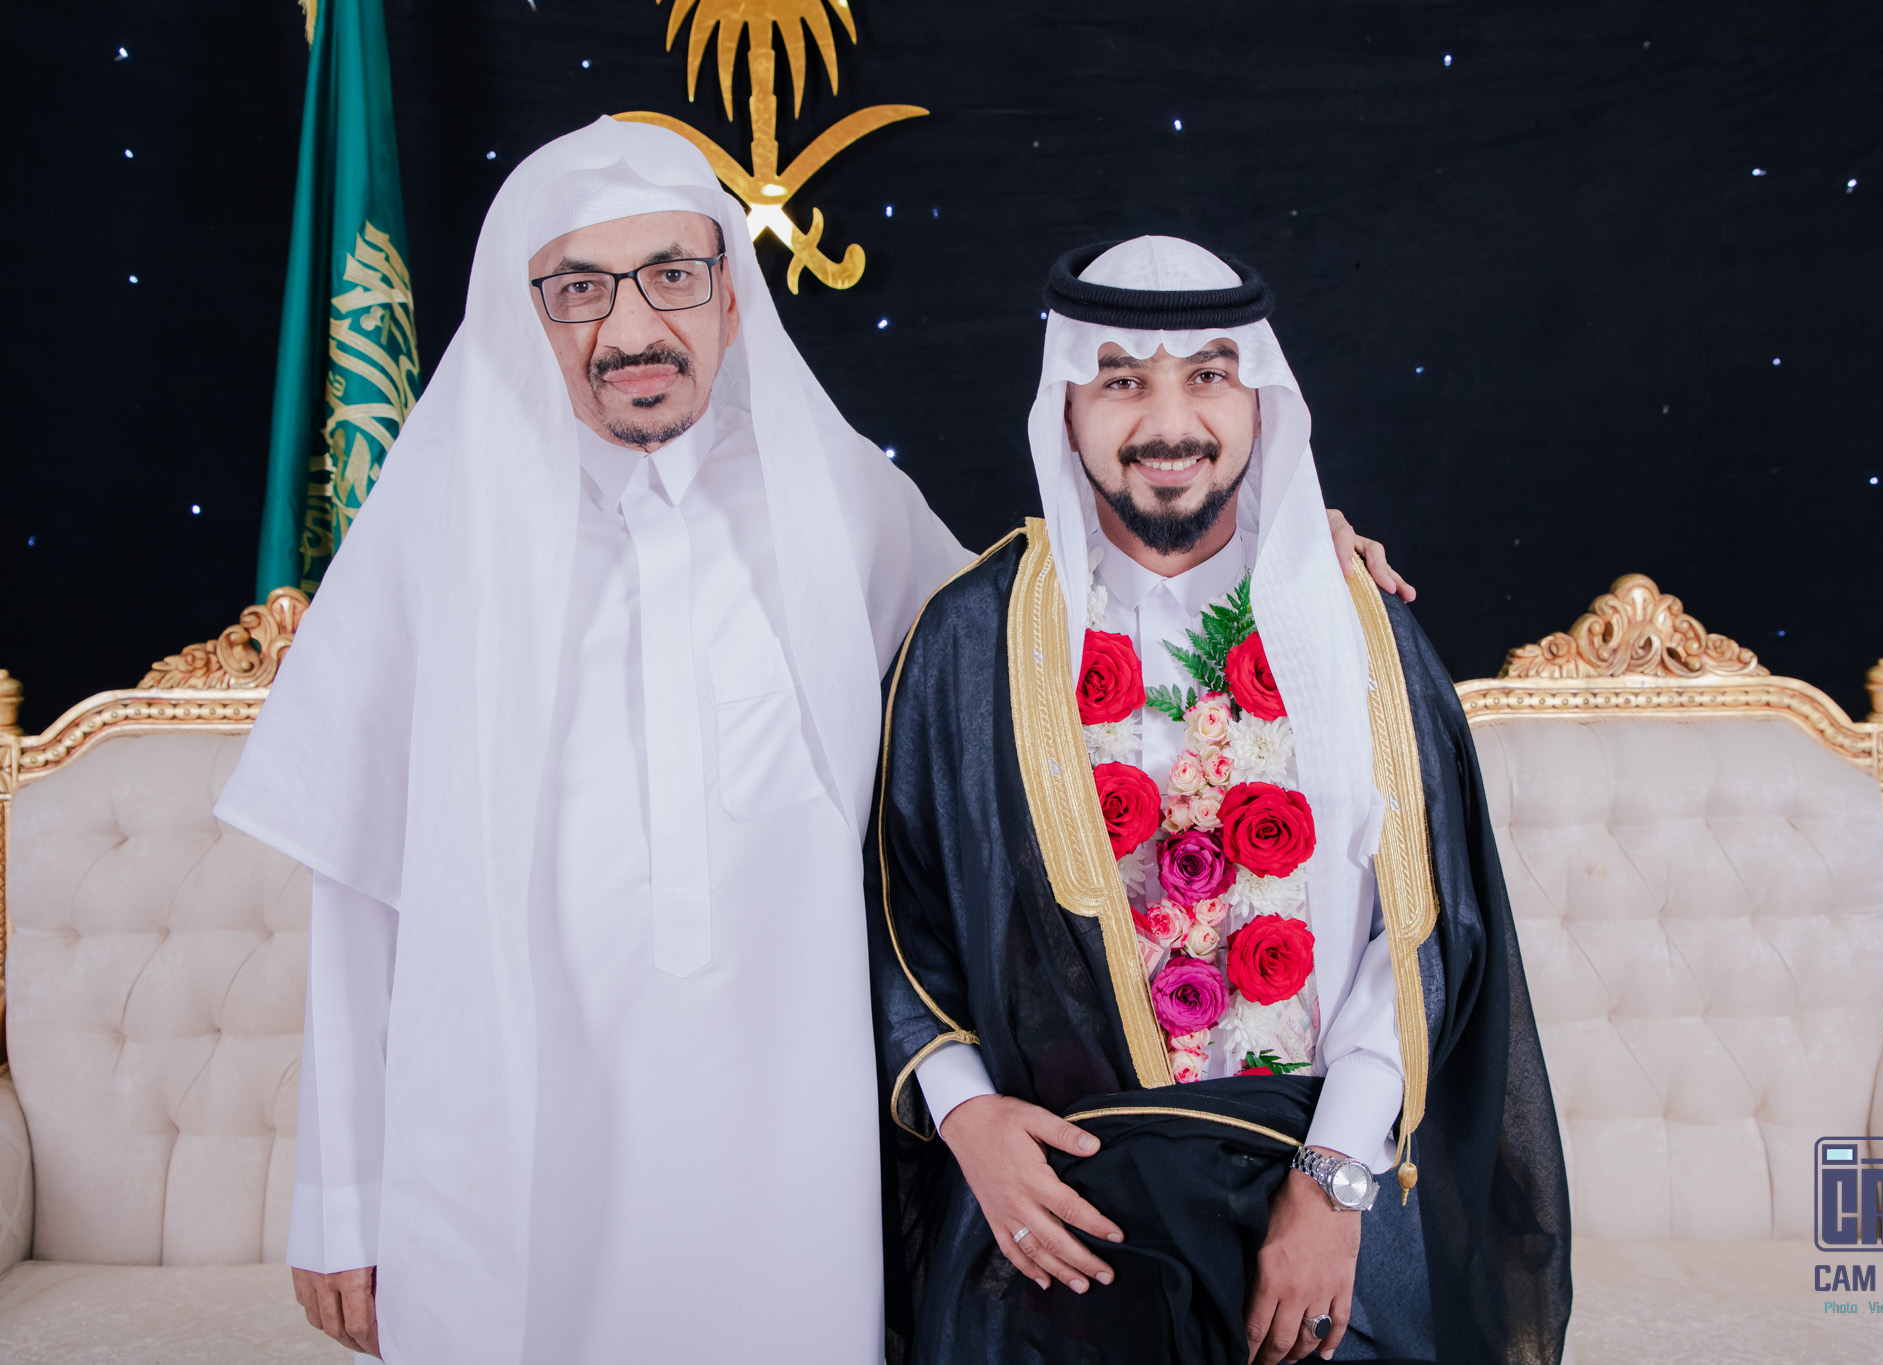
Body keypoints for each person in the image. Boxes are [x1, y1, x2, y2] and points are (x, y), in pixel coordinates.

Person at [218, 120, 1404, 1363]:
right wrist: (341, 1199)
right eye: (579, 290)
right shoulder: (435, 534)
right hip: (515, 1136)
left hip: (789, 1148)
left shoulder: (829, 497)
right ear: (529, 317)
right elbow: (357, 897)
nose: (631, 328)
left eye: (671, 275)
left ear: (730, 296)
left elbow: (1039, 634)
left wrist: (1279, 546)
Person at [867, 237, 1570, 1365]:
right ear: (1066, 408)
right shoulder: (970, 639)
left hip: (1314, 1187)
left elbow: (1424, 936)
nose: (1167, 423)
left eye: (1207, 375)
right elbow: (899, 927)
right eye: (1120, 381)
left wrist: (1333, 1184)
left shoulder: (1357, 631)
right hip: (1059, 1206)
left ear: (1259, 401)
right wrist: (970, 1120)